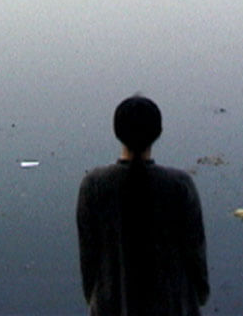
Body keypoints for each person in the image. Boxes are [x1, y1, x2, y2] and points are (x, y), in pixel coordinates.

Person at [76, 96, 209, 315]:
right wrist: (201, 294)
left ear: (117, 132)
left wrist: (93, 297)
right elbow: (195, 252)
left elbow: (89, 257)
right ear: (158, 132)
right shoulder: (179, 185)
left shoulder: (94, 185)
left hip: (113, 305)